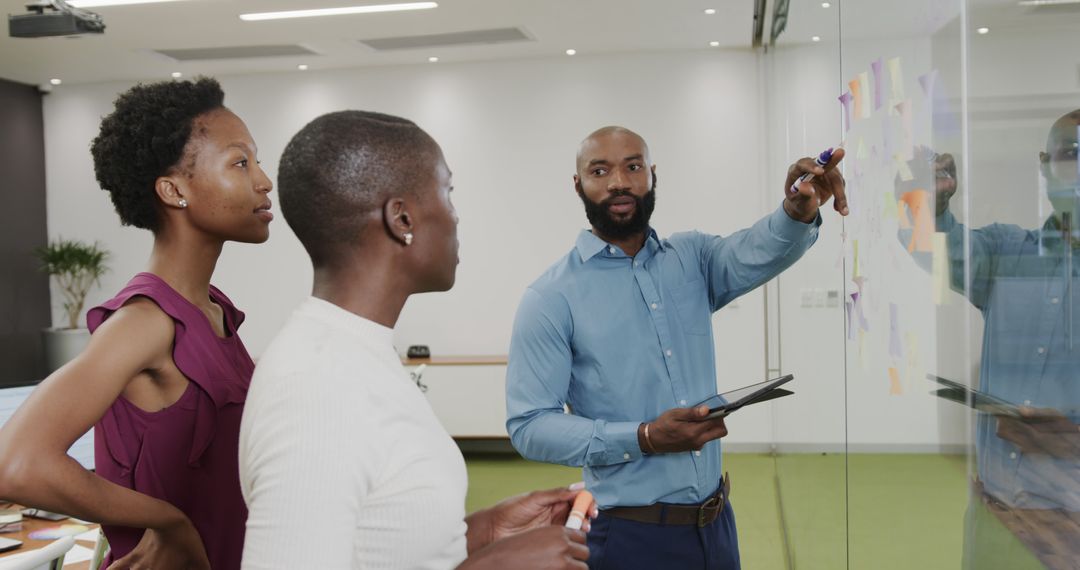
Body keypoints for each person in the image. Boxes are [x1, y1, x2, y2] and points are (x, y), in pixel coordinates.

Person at [239, 110, 591, 569]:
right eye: (447, 192)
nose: (456, 214)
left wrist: (482, 534)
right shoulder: (315, 385)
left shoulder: (359, 351)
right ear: (401, 218)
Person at [505, 126, 847, 569]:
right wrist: (644, 437)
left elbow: (758, 250)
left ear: (652, 175)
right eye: (600, 170)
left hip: (717, 524)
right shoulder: (551, 298)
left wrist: (796, 210)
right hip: (631, 536)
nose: (619, 182)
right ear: (578, 185)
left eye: (633, 166)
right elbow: (529, 425)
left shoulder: (692, 258)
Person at [0, 77, 273, 569]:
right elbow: (19, 463)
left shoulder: (214, 311)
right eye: (240, 162)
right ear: (174, 190)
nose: (263, 180)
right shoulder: (145, 322)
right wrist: (170, 523)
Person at [898, 110, 1080, 569]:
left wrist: (1069, 437)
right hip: (993, 514)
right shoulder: (1005, 253)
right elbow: (935, 251)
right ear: (1044, 166)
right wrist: (931, 206)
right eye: (1069, 155)